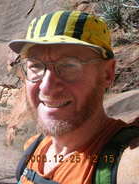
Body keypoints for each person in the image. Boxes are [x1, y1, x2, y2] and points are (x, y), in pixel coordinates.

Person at [8, 10, 139, 184]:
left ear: (107, 74)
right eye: (35, 66)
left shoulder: (126, 164)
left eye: (69, 65)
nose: (46, 88)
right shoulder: (34, 147)